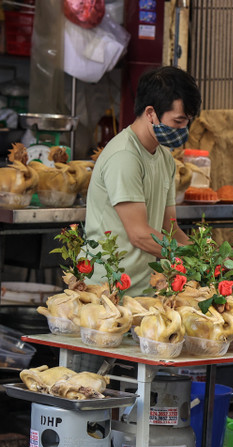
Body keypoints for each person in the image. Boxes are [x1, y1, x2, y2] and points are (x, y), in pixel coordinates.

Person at [84, 66, 201, 296]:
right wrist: (192, 259)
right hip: (108, 292)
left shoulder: (164, 158)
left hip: (146, 292)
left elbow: (170, 229)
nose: (183, 129)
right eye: (178, 121)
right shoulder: (124, 156)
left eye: (187, 121)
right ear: (150, 113)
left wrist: (210, 256)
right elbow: (138, 234)